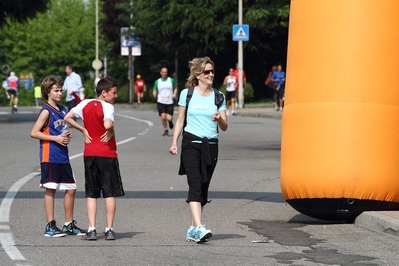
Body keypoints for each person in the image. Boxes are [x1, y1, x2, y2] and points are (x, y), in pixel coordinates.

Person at [168, 56, 228, 243]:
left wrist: (220, 119)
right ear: (198, 75)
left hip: (211, 145)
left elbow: (225, 126)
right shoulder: (187, 94)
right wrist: (174, 142)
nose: (211, 74)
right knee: (194, 185)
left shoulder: (219, 96)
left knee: (203, 187)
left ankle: (193, 228)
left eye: (212, 71)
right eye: (206, 72)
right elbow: (180, 120)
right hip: (191, 144)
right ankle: (200, 227)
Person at [64, 76, 125, 241]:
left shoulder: (84, 104)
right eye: (113, 92)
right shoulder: (108, 107)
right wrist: (111, 129)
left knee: (91, 193)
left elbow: (68, 117)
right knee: (109, 192)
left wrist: (83, 130)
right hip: (107, 153)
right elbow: (107, 125)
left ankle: (91, 229)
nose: (115, 96)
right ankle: (109, 229)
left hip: (90, 152)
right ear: (104, 93)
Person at [30, 76, 85, 237]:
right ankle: (50, 225)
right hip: (50, 155)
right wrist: (55, 138)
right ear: (48, 92)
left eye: (61, 90)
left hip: (63, 156)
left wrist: (66, 134)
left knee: (71, 188)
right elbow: (34, 132)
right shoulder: (46, 110)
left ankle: (68, 224)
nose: (60, 93)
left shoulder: (62, 110)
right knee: (51, 188)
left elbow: (59, 129)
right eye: (56, 90)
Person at [152, 67, 178, 136]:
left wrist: (174, 94)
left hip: (169, 101)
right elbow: (154, 89)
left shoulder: (171, 80)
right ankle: (166, 130)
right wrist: (154, 93)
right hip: (161, 101)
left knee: (169, 118)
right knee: (163, 116)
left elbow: (175, 88)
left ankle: (170, 122)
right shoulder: (157, 81)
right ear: (160, 73)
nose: (164, 73)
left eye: (165, 72)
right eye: (163, 72)